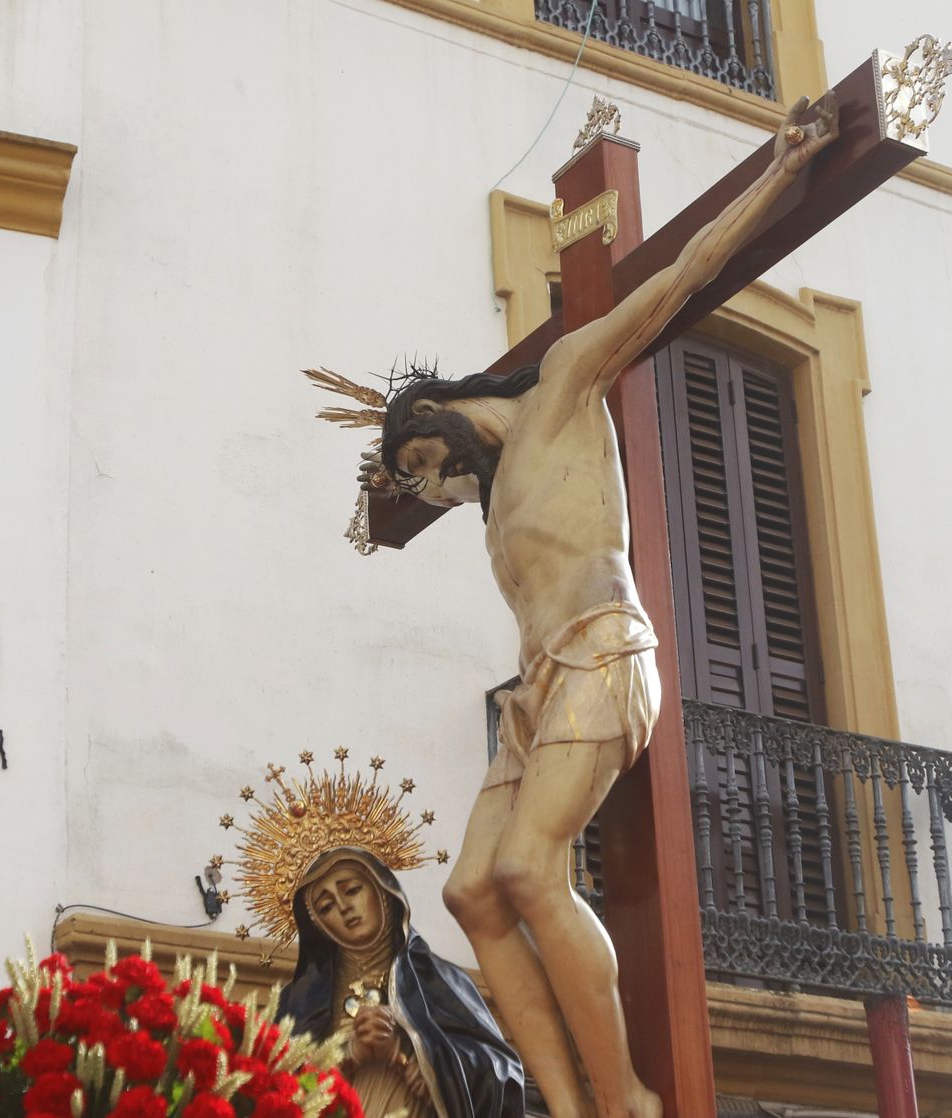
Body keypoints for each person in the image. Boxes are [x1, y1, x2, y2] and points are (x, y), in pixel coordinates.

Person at [332, 94, 839, 1118]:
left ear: (435, 414)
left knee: (528, 865)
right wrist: (375, 501)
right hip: (539, 687)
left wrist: (781, 174)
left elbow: (684, 276)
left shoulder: (562, 383)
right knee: (472, 888)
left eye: (424, 464)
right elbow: (402, 493)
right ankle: (563, 1105)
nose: (430, 488)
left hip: (605, 648)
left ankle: (626, 1101)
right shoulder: (485, 492)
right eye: (417, 483)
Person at [279, 847, 524, 1118]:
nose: (344, 907)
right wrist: (351, 1053)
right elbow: (275, 1088)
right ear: (319, 924)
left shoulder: (437, 980)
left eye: (351, 890)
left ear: (382, 891)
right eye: (326, 907)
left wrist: (408, 1055)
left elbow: (500, 1074)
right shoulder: (299, 1002)